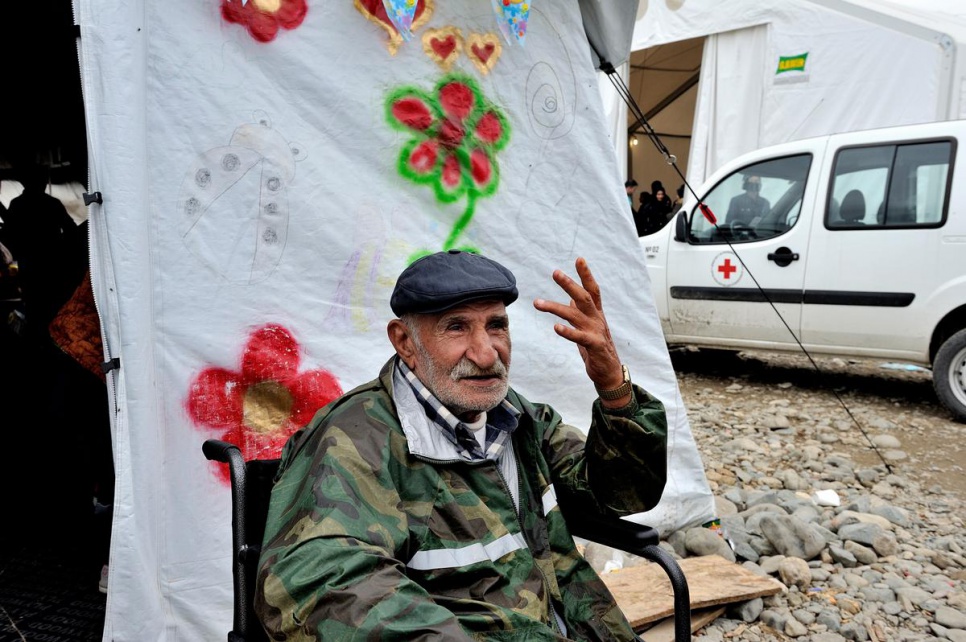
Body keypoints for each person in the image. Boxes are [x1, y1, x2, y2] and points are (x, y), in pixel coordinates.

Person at [255, 250, 668, 641]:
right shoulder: (357, 439)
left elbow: (623, 494)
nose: (487, 354)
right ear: (404, 342)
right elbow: (318, 583)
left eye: (496, 325)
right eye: (456, 327)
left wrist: (614, 388)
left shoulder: (517, 418)